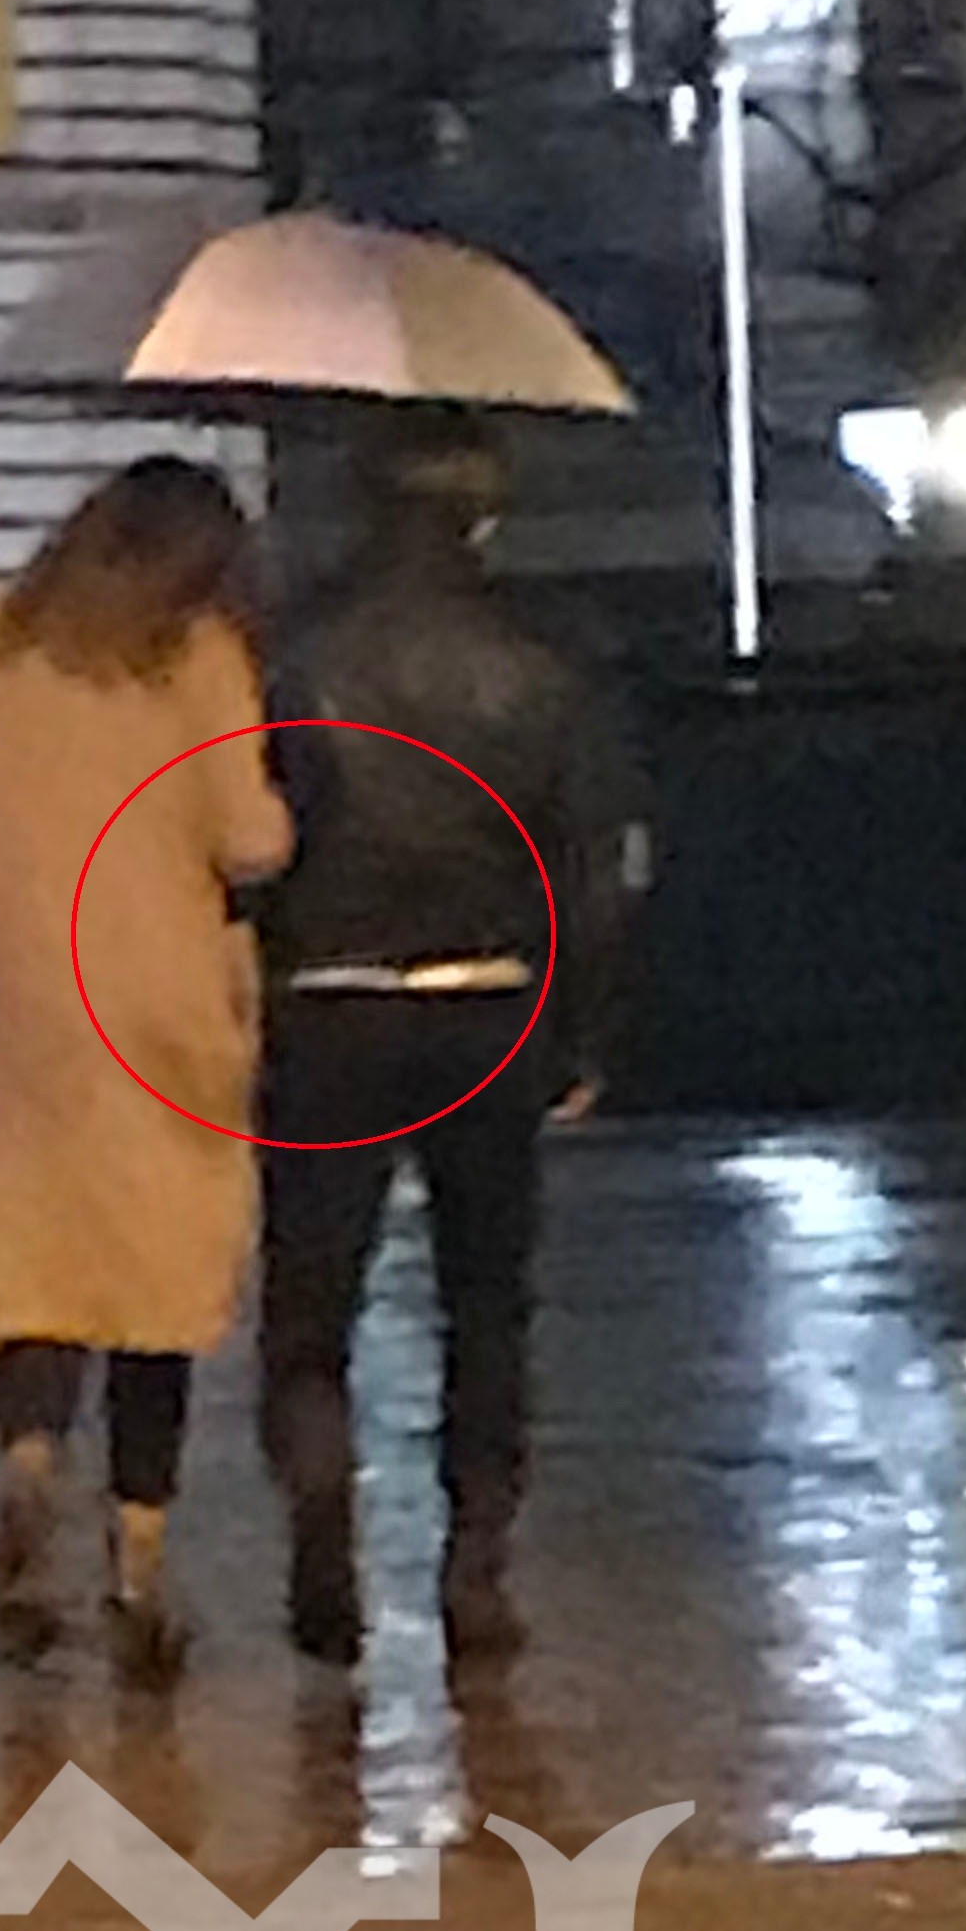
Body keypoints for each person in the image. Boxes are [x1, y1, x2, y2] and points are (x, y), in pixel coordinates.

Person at [259, 433, 642, 1672]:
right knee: (486, 1300)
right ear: (485, 521)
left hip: (329, 1003)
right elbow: (591, 876)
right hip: (489, 1006)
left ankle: (322, 1501)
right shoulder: (544, 661)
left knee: (312, 1297)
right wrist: (580, 1032)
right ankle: (475, 1563)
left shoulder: (294, 651)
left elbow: (252, 840)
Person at [0, 459, 291, 1671]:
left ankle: (30, 1461)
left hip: (17, 1007)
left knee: (43, 1267)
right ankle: (138, 1560)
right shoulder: (194, 657)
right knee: (155, 1288)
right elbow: (247, 839)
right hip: (159, 1004)